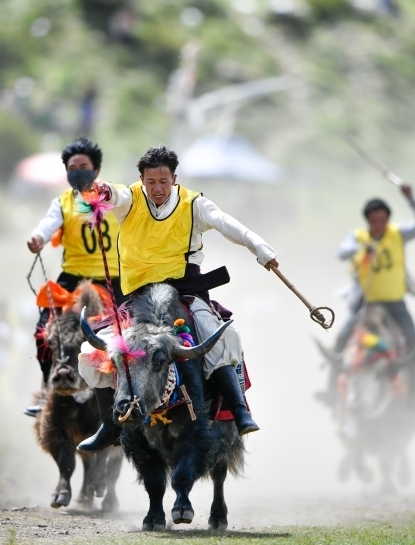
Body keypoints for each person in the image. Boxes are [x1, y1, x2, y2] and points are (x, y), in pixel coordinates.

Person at [76, 145, 278, 453]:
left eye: (163, 181)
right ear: (141, 179)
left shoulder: (194, 204)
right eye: (151, 181)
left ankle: (239, 410)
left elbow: (226, 223)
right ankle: (109, 423)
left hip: (185, 292)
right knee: (90, 350)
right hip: (136, 299)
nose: (157, 188)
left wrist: (260, 249)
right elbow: (115, 195)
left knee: (224, 336)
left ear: (174, 178)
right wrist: (103, 192)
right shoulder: (129, 200)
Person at [24, 138, 122, 417]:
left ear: (96, 169)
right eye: (72, 167)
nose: (78, 171)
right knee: (44, 330)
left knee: (130, 333)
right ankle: (46, 389)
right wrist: (38, 238)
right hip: (71, 279)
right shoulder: (62, 202)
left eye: (84, 166)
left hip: (111, 280)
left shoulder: (116, 197)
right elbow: (47, 225)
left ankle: (128, 395)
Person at [316, 186, 415, 406]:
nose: (378, 224)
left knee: (412, 339)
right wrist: (360, 247)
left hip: (395, 302)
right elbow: (341, 252)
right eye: (374, 220)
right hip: (365, 304)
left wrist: (412, 199)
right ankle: (331, 391)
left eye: (382, 220)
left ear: (388, 220)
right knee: (340, 340)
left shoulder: (398, 234)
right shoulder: (358, 237)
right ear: (367, 221)